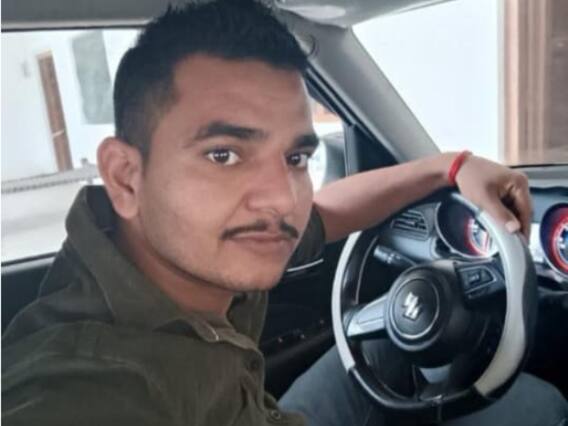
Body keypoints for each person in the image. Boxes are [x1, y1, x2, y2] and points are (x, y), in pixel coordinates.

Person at [2, 1, 566, 425]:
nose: (281, 199)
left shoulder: (184, 248)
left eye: (295, 158)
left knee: (381, 351)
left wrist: (448, 166)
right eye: (224, 155)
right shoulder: (84, 388)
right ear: (126, 176)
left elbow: (325, 212)